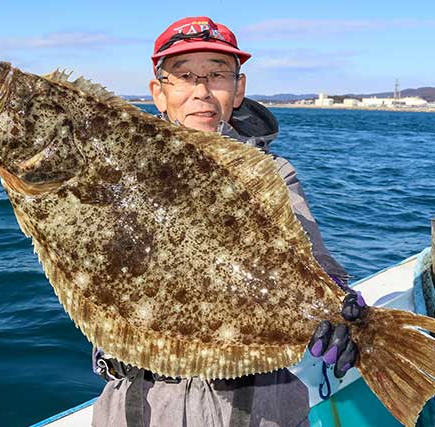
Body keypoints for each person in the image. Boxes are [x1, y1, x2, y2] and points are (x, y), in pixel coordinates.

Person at [91, 16, 363, 427]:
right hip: (138, 405)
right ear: (158, 93)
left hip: (253, 408)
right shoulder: (116, 171)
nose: (201, 91)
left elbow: (312, 260)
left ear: (238, 89)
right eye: (183, 76)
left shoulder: (271, 173)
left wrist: (339, 301)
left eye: (217, 74)